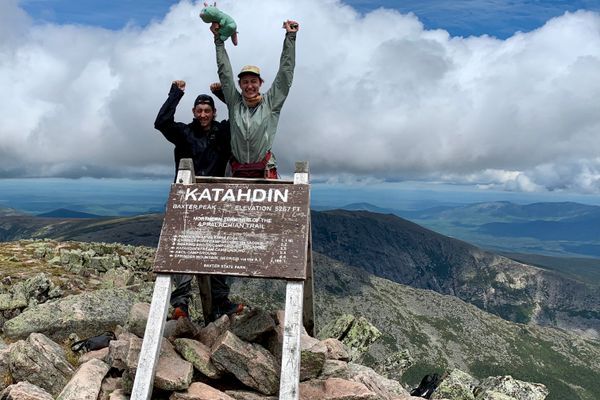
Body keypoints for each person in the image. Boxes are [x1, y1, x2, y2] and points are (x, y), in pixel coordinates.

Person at [154, 80, 243, 321]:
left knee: (218, 250)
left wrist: (222, 93)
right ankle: (180, 304)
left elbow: (239, 113)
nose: (203, 115)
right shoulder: (184, 133)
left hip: (215, 201)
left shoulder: (224, 132)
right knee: (183, 249)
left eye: (207, 111)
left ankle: (220, 302)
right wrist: (176, 93)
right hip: (186, 200)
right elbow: (161, 123)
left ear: (214, 112)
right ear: (194, 112)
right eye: (199, 111)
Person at [211, 19, 300, 178]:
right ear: (239, 84)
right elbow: (224, 74)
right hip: (237, 170)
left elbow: (285, 74)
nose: (249, 86)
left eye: (253, 81)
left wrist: (290, 37)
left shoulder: (270, 103)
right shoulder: (235, 103)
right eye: (245, 82)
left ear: (260, 83)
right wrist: (218, 41)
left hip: (264, 171)